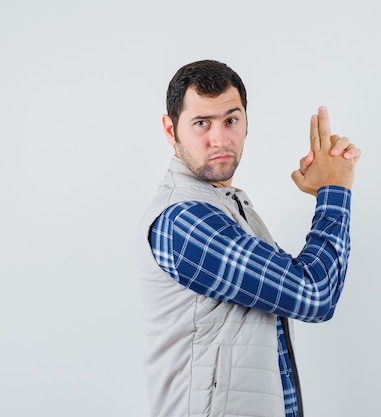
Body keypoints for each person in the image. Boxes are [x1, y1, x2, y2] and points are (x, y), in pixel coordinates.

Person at [136, 59, 360, 417]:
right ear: (170, 130)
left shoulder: (227, 205)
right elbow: (315, 294)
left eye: (231, 119)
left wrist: (327, 188)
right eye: (201, 123)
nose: (220, 138)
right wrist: (334, 190)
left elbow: (293, 287)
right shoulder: (185, 221)